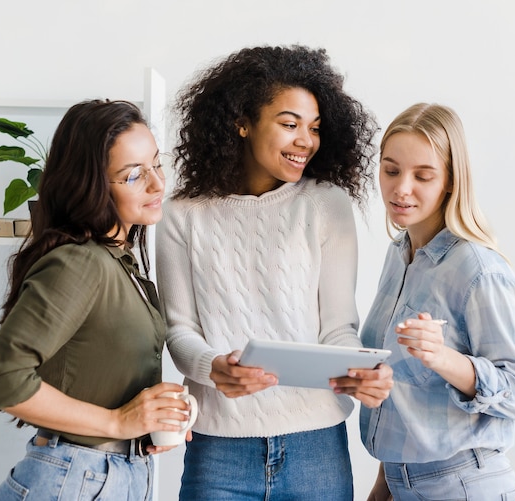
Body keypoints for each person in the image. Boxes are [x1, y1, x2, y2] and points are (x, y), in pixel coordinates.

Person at [156, 45, 394, 500]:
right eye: (289, 124)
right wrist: (213, 367)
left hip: (316, 443)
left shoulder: (327, 204)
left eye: (315, 127)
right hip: (217, 446)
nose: (306, 139)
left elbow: (338, 327)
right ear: (242, 122)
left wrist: (357, 367)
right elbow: (179, 330)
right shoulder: (181, 215)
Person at [0, 99, 192, 500]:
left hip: (111, 474)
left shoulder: (119, 262)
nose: (158, 184)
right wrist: (116, 423)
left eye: (156, 165)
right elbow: (1, 380)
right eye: (133, 175)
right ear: (90, 184)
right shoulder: (80, 263)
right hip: (75, 480)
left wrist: (144, 424)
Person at [355, 103, 515, 500]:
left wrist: (442, 358)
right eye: (391, 170)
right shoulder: (399, 253)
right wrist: (383, 487)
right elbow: (407, 401)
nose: (402, 188)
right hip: (401, 485)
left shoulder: (478, 270)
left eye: (423, 176)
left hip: (465, 486)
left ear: (452, 182)